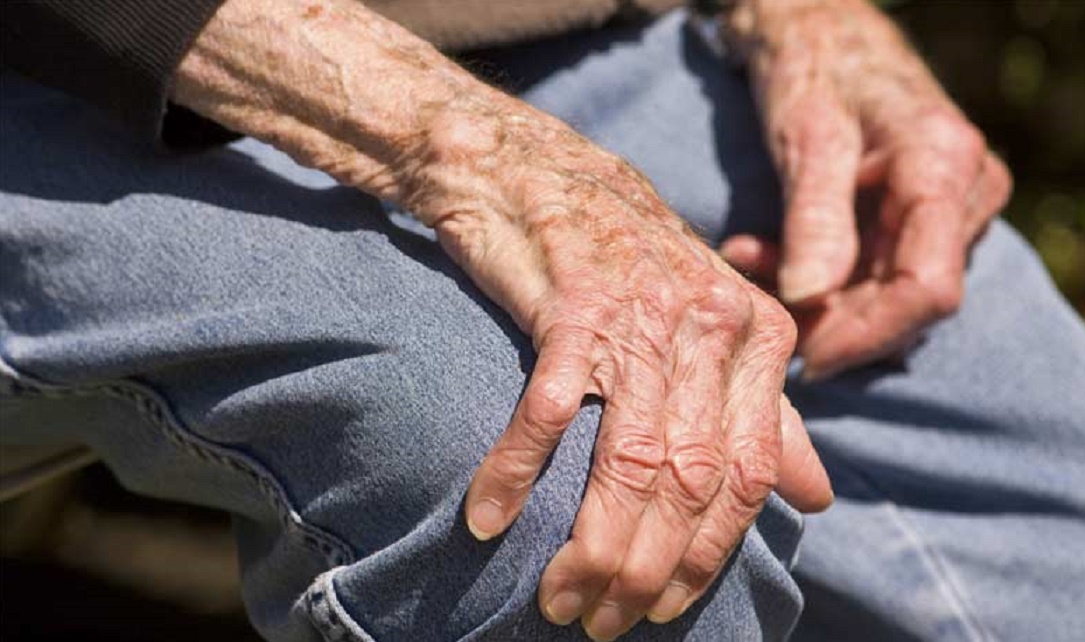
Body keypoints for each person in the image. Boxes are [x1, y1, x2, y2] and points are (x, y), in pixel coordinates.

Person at [2, 0, 1083, 640]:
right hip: (69, 69)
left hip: (551, 41)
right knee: (577, 505)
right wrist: (452, 142)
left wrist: (807, 14)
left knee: (1040, 444)